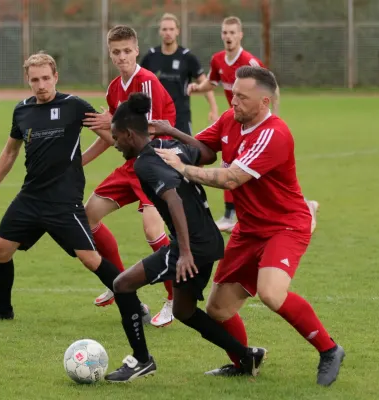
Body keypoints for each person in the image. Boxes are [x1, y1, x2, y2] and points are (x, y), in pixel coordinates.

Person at [152, 66, 345, 386]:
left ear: (265, 102)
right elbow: (201, 150)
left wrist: (183, 169)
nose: (233, 101)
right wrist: (162, 137)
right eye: (233, 94)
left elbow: (231, 178)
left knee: (271, 292)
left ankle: (329, 349)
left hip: (284, 226)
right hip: (249, 229)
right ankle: (245, 361)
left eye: (242, 97)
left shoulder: (274, 134)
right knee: (218, 309)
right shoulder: (230, 119)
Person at [0, 52, 148, 324]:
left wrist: (101, 138)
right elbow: (10, 152)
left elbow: (112, 138)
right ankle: (3, 309)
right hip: (30, 197)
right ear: (27, 80)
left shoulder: (74, 106)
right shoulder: (22, 110)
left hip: (63, 200)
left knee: (90, 258)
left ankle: (135, 307)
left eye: (46, 78)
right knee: (0, 250)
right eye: (35, 80)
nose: (41, 85)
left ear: (56, 77)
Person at [103, 93, 266, 383]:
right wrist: (173, 131)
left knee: (122, 285)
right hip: (208, 241)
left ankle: (141, 360)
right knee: (184, 310)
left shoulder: (145, 163)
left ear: (129, 134)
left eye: (116, 138)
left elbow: (173, 199)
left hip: (194, 246)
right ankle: (246, 356)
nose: (115, 144)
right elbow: (207, 155)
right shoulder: (169, 146)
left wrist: (186, 253)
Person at [82, 25, 177, 327]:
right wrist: (79, 161)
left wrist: (112, 121)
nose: (122, 56)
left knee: (152, 230)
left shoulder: (145, 81)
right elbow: (115, 137)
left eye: (127, 51)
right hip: (132, 164)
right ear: (110, 54)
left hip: (155, 162)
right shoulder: (113, 88)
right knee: (88, 216)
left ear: (137, 50)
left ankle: (174, 298)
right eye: (116, 52)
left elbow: (149, 130)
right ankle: (119, 282)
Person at [187, 16, 319, 234]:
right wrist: (197, 88)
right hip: (235, 121)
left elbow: (271, 88)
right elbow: (211, 82)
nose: (228, 36)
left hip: (255, 122)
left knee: (244, 171)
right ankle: (233, 215)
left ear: (240, 35)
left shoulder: (250, 62)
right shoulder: (218, 60)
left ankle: (300, 206)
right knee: (234, 166)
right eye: (225, 32)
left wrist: (274, 118)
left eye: (232, 32)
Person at [140, 13, 218, 135]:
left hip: (181, 117)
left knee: (184, 147)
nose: (168, 33)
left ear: (178, 31)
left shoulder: (187, 57)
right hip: (155, 117)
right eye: (164, 29)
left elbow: (205, 83)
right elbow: (138, 83)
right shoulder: (150, 57)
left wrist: (213, 108)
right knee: (154, 147)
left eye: (171, 29)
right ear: (160, 31)